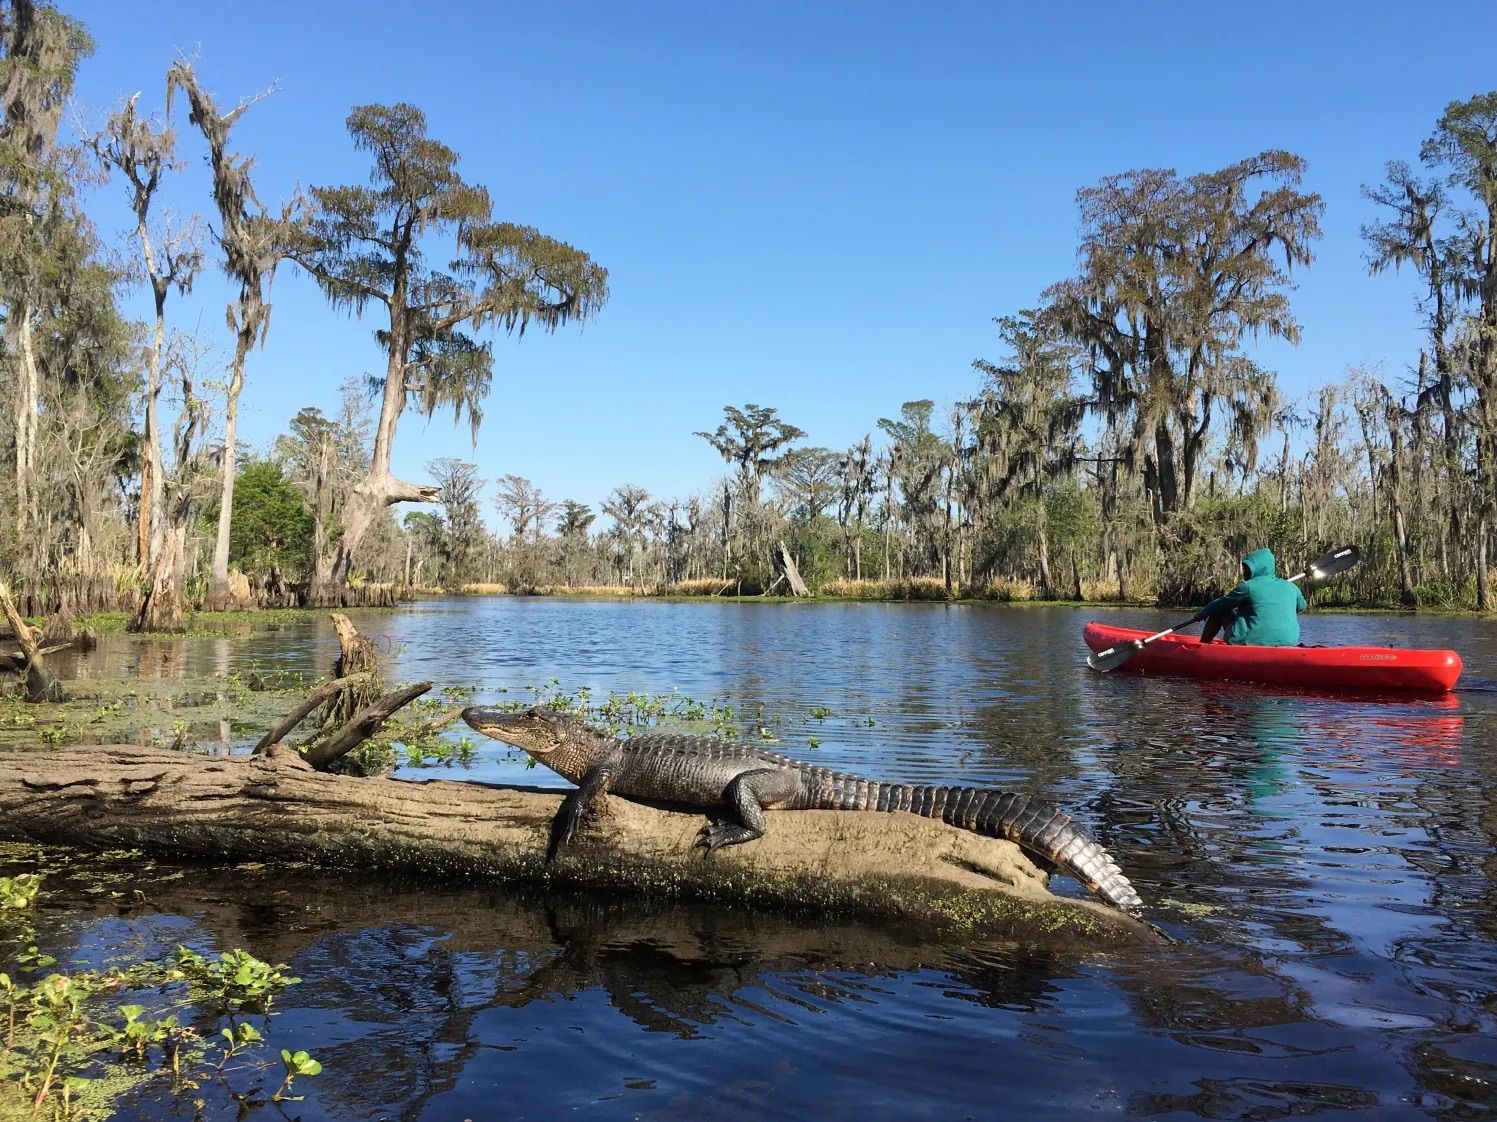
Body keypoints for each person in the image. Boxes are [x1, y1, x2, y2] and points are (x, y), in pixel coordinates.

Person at [1194, 547, 1306, 647]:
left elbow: (1220, 604)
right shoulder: (1292, 587)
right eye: (1244, 567)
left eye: (1247, 567)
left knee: (1218, 611)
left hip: (1249, 641)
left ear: (1257, 568)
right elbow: (1302, 606)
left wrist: (1202, 613)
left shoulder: (1248, 586)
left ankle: (1202, 648)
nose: (1244, 571)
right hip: (1288, 642)